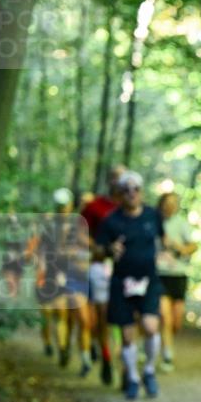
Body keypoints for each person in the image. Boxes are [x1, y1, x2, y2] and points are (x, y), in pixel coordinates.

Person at [95, 171, 164, 399]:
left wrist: (172, 253)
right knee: (126, 334)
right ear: (120, 194)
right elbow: (96, 249)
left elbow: (164, 241)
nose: (132, 194)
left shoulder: (153, 215)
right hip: (121, 281)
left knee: (151, 326)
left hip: (148, 279)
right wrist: (109, 250)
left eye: (136, 189)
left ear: (141, 192)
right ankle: (132, 377)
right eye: (126, 190)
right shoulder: (111, 221)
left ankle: (149, 370)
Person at [36, 189, 93, 375]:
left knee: (78, 318)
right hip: (54, 274)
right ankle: (59, 346)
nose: (63, 210)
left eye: (65, 206)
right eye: (60, 207)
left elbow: (88, 249)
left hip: (76, 275)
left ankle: (77, 354)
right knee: (56, 313)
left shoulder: (79, 225)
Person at [81, 165, 124, 385]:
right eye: (115, 177)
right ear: (109, 181)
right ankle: (107, 357)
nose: (119, 181)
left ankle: (125, 362)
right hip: (100, 266)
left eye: (123, 177)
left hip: (128, 270)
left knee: (129, 318)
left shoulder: (134, 208)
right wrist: (100, 247)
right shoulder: (95, 206)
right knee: (104, 317)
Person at [156, 191, 197, 371]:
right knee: (164, 315)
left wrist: (177, 246)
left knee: (176, 320)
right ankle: (167, 354)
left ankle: (166, 339)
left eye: (173, 202)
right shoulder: (154, 223)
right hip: (159, 274)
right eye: (167, 202)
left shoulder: (182, 224)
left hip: (178, 275)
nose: (169, 205)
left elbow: (193, 246)